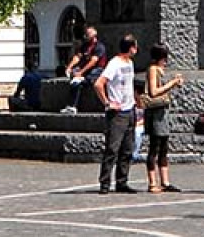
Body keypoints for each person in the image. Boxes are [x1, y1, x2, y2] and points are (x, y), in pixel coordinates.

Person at [94, 35, 141, 194]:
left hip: (130, 110)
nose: (136, 49)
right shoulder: (114, 63)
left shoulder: (130, 63)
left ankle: (122, 181)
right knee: (112, 149)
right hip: (117, 113)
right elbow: (99, 84)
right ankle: (105, 183)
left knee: (127, 149)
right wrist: (107, 103)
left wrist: (136, 102)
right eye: (135, 46)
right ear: (130, 48)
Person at [142, 44, 184, 193]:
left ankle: (165, 181)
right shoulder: (153, 69)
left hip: (163, 111)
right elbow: (153, 92)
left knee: (164, 147)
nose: (166, 61)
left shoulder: (160, 69)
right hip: (155, 113)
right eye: (164, 58)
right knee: (155, 146)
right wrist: (172, 83)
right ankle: (152, 182)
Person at [64, 27, 109, 113]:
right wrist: (69, 67)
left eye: (88, 34)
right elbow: (77, 57)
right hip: (85, 70)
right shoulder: (84, 46)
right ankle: (72, 106)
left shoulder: (99, 47)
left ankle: (82, 81)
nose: (85, 36)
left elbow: (93, 62)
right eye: (86, 34)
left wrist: (81, 73)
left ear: (94, 35)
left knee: (81, 79)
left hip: (97, 70)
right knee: (75, 81)